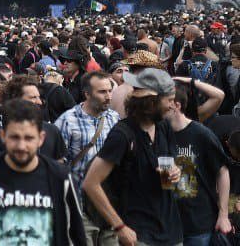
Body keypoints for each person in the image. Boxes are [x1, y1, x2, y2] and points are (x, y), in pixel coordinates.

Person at [0, 99, 87, 245]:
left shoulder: (61, 179)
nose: (21, 146)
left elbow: (76, 234)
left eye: (29, 138)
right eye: (15, 137)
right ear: (3, 136)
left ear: (41, 138)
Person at [82, 68, 184, 246]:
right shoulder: (122, 134)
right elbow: (91, 183)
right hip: (139, 235)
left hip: (171, 232)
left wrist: (176, 171)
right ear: (151, 102)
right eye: (169, 100)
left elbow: (173, 166)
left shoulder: (164, 127)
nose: (172, 105)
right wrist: (120, 227)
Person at [54, 71, 121, 245]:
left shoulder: (114, 119)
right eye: (102, 92)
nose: (108, 96)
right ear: (87, 94)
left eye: (109, 91)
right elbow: (56, 166)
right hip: (80, 207)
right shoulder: (67, 121)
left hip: (109, 205)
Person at [166, 82, 233, 244]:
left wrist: (223, 215)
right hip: (169, 222)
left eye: (162, 102)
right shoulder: (159, 133)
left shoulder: (201, 134)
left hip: (199, 222)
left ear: (176, 105)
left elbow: (223, 172)